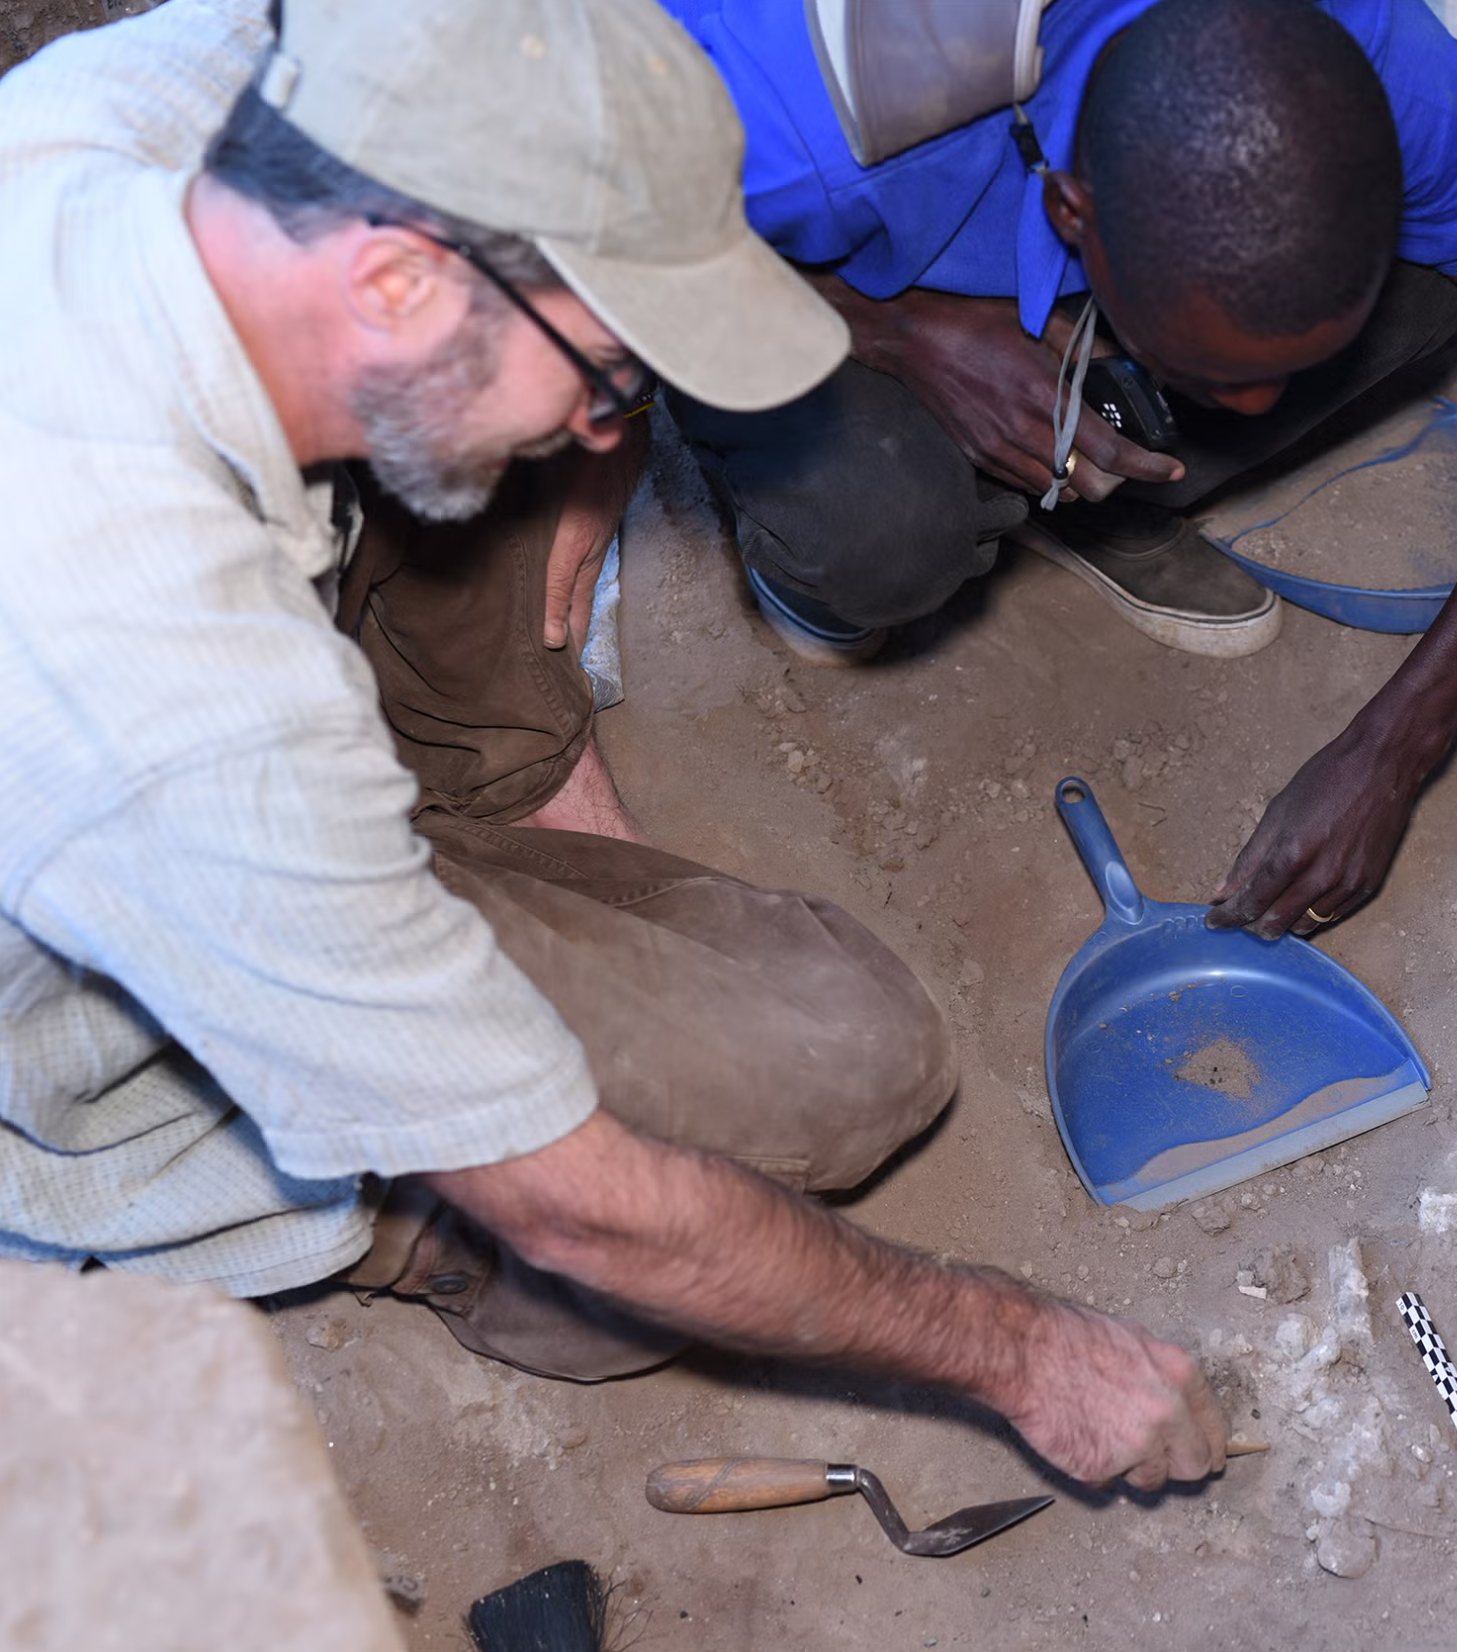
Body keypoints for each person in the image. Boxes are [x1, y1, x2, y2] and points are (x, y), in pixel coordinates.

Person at [0, 0, 1222, 1490]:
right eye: (604, 370)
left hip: (240, 693)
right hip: (137, 950)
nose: (608, 429)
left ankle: (476, 808)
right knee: (854, 1063)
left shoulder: (219, 90)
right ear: (394, 280)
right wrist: (1024, 1353)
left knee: (506, 426)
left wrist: (603, 417)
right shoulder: (151, 689)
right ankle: (392, 1208)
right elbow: (580, 1205)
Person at [647, 0, 1457, 939]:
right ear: (1070, 214)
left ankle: (1087, 479)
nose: (1255, 413)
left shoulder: (1394, 72)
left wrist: (1396, 750)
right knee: (876, 530)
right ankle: (880, 510)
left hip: (1086, 228)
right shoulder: (781, 106)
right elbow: (610, 260)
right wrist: (896, 329)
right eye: (1210, 375)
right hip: (809, 242)